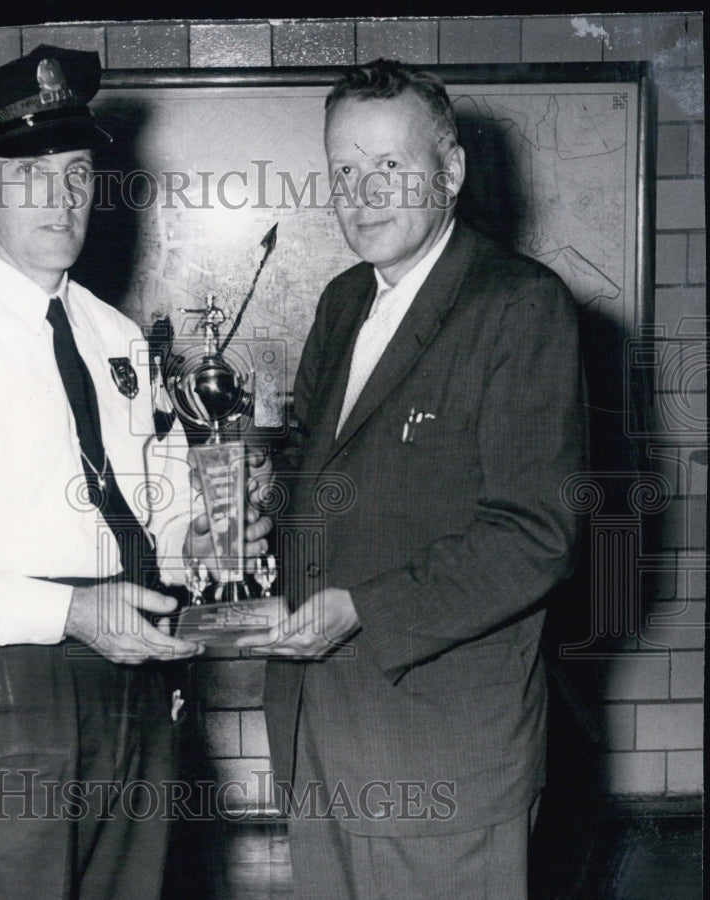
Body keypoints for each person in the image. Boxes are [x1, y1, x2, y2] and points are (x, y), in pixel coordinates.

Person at [0, 44, 269, 899]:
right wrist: (71, 611)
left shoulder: (117, 340)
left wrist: (220, 520)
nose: (62, 199)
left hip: (137, 685)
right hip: (9, 691)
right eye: (28, 174)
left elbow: (149, 509)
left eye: (77, 173)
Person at [238, 59, 586, 898]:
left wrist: (363, 608)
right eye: (345, 172)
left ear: (452, 170)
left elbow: (536, 536)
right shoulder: (343, 301)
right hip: (318, 733)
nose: (364, 193)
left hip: (442, 756)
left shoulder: (518, 305)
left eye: (390, 166)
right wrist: (263, 511)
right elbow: (331, 481)